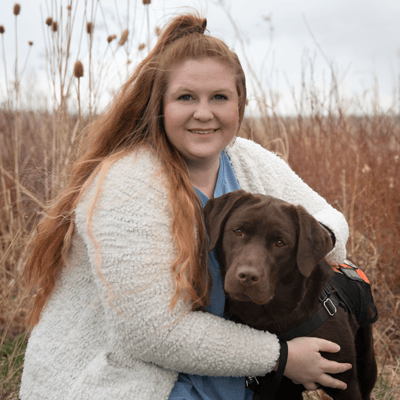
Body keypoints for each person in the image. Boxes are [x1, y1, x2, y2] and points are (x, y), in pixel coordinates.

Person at [20, 12, 351, 400]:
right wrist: (281, 357)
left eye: (220, 98)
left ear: (240, 106)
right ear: (159, 104)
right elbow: (151, 334)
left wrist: (316, 241)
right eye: (186, 97)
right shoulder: (127, 182)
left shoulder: (246, 159)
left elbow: (330, 221)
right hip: (127, 382)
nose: (203, 113)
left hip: (223, 378)